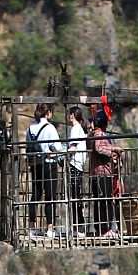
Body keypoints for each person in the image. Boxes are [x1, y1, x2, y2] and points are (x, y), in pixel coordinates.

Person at [25, 99, 64, 235]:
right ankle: (50, 228)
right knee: (50, 197)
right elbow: (58, 148)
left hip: (35, 164)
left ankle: (31, 228)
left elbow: (28, 146)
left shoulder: (30, 129)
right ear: (48, 113)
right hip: (49, 165)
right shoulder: (50, 128)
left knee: (35, 195)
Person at [89, 104, 120, 239]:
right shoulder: (98, 134)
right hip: (102, 172)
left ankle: (101, 228)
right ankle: (104, 229)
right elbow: (99, 149)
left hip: (100, 172)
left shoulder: (94, 134)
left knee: (101, 201)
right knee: (104, 201)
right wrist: (113, 151)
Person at [66, 104, 89, 238]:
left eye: (70, 114)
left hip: (75, 164)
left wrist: (63, 153)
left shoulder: (75, 128)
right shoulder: (80, 128)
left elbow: (73, 147)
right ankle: (78, 227)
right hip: (79, 165)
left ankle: (78, 227)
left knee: (74, 197)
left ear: (73, 115)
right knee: (76, 196)